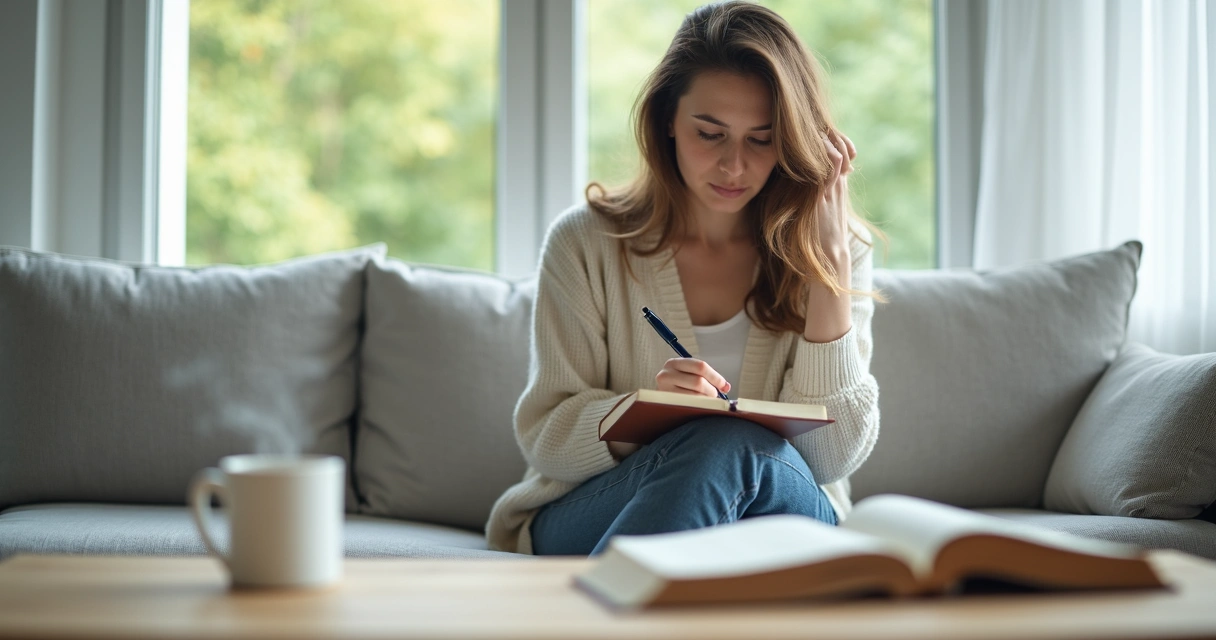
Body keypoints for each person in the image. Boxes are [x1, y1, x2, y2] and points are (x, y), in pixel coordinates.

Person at [486, 0, 882, 556]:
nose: (733, 166)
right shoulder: (585, 243)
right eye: (710, 133)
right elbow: (545, 437)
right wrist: (640, 414)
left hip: (780, 512)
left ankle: (608, 605)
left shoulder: (840, 253)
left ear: (793, 142)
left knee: (733, 444)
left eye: (761, 139)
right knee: (721, 443)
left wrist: (828, 268)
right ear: (668, 119)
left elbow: (829, 457)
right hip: (604, 507)